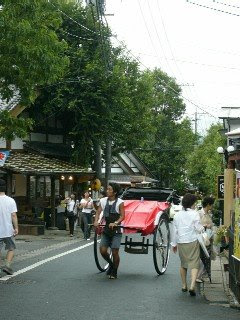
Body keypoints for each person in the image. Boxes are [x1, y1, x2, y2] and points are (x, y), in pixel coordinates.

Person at [171, 193, 204, 296]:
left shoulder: (177, 215)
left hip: (181, 242)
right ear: (192, 203)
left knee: (183, 264)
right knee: (195, 263)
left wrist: (174, 244)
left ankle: (184, 285)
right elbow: (198, 228)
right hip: (192, 240)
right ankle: (192, 285)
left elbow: (174, 231)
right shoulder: (194, 214)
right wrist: (203, 228)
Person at [94, 183, 125, 279]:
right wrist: (96, 221)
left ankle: (114, 271)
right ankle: (111, 264)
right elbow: (98, 212)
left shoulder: (120, 202)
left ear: (115, 192)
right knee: (102, 251)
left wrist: (116, 222)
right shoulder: (103, 201)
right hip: (107, 229)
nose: (107, 191)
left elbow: (122, 216)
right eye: (107, 189)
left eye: (109, 189)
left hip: (116, 230)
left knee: (115, 251)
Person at [0, 179, 18, 275]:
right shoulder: (10, 200)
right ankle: (7, 266)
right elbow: (13, 215)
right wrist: (16, 228)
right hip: (7, 230)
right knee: (11, 248)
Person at [197, 196, 215, 283]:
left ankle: (202, 275)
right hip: (202, 239)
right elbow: (197, 226)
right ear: (208, 205)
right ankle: (198, 276)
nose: (212, 207)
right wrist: (205, 226)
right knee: (203, 257)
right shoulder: (199, 213)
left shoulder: (208, 213)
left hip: (208, 239)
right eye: (212, 205)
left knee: (207, 257)